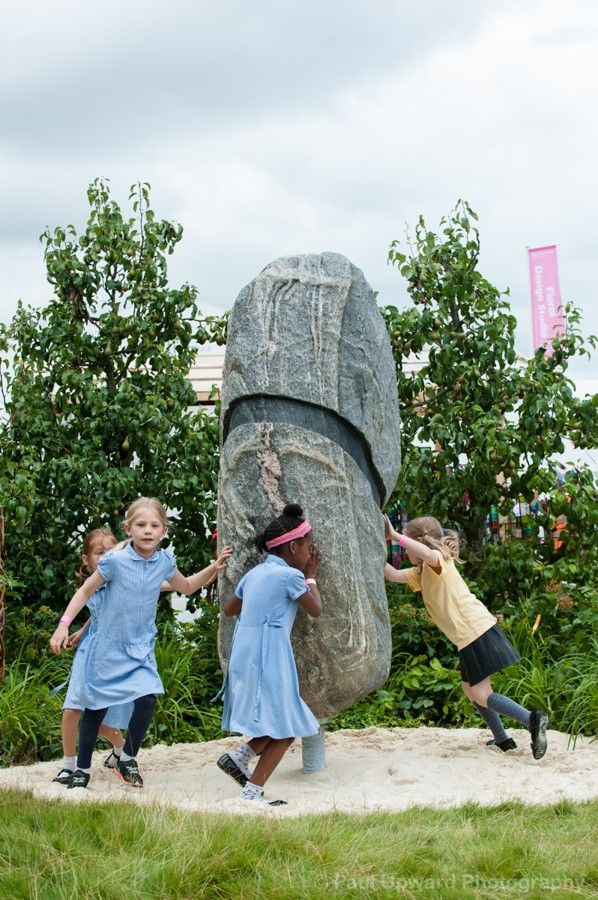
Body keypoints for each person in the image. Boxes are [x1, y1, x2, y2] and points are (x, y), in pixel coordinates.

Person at [49, 497, 232, 789]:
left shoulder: (164, 562)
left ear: (164, 531)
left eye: (154, 525)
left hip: (140, 649)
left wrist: (214, 567)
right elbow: (85, 591)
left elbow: (185, 586)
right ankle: (81, 769)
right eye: (141, 525)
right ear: (128, 528)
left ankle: (126, 757)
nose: (148, 530)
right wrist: (63, 625)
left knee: (147, 699)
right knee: (94, 709)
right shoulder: (115, 562)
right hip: (108, 647)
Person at [384, 515, 549, 760]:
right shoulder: (422, 573)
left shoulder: (440, 561)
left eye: (408, 545)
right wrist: (374, 548)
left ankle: (532, 719)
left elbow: (429, 555)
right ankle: (503, 739)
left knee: (480, 693)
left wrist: (397, 537)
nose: (406, 551)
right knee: (470, 689)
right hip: (470, 634)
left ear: (418, 541)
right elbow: (393, 575)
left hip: (474, 631)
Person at [217, 503, 322, 804]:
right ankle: (250, 789)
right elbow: (315, 609)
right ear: (293, 547)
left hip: (244, 653)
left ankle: (242, 761)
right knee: (289, 725)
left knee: (282, 720)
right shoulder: (291, 577)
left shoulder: (254, 574)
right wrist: (311, 575)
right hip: (269, 655)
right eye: (308, 548)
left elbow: (229, 609)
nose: (309, 554)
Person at [52, 528, 133, 785]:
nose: (106, 556)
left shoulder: (122, 581)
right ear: (87, 560)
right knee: (71, 708)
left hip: (112, 655)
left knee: (98, 722)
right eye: (99, 552)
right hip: (88, 652)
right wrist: (80, 629)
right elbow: (95, 608)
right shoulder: (91, 584)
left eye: (111, 551)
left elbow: (160, 585)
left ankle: (121, 749)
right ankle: (68, 765)